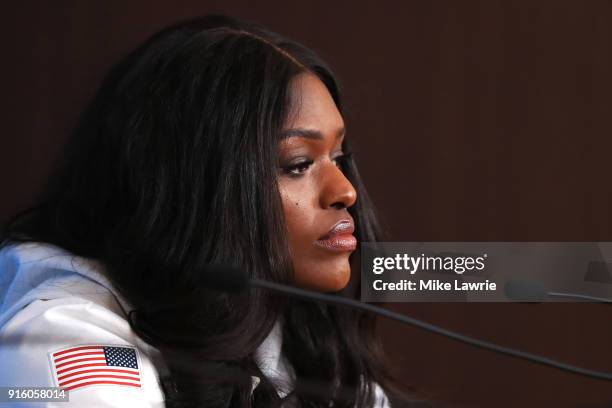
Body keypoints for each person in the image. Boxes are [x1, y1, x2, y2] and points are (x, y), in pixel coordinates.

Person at [0, 15, 408, 407]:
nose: (346, 191)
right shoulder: (71, 342)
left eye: (339, 157)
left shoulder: (300, 338)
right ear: (197, 190)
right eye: (298, 163)